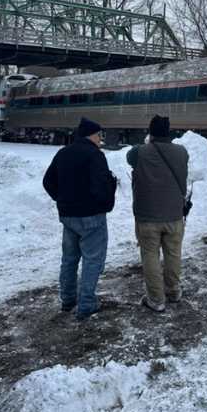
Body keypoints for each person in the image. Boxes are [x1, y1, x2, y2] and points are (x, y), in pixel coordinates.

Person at [42, 117, 118, 320]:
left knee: (69, 259)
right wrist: (105, 201)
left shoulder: (63, 153)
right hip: (91, 217)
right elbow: (101, 187)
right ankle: (86, 305)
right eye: (99, 135)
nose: (101, 139)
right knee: (93, 261)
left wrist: (62, 200)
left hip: (68, 216)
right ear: (91, 135)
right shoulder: (95, 155)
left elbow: (48, 181)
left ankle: (67, 300)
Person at [126, 115, 190, 313]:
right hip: (174, 215)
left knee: (150, 256)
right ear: (169, 132)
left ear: (151, 132)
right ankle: (173, 291)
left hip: (147, 217)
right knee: (173, 253)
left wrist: (148, 142)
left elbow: (130, 157)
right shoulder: (182, 152)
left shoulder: (139, 152)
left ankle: (156, 299)